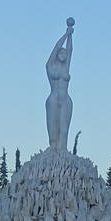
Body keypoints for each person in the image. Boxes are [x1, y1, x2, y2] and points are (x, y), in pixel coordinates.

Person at [45, 18, 74, 150]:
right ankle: (53, 154)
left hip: (66, 100)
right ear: (56, 55)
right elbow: (57, 46)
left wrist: (71, 36)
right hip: (53, 100)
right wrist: (66, 34)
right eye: (61, 52)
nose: (63, 54)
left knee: (64, 131)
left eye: (64, 53)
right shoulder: (50, 66)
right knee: (53, 133)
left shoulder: (65, 68)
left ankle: (63, 153)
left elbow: (70, 50)